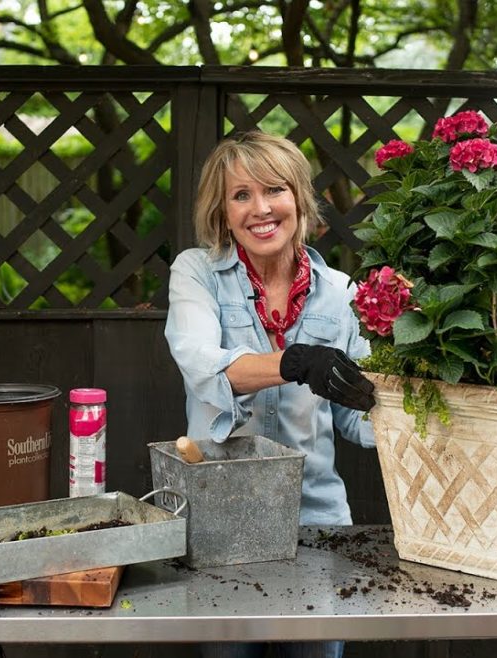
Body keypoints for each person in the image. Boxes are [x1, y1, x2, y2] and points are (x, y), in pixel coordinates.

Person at [164, 131, 377, 658]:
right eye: (241, 195)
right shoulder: (197, 273)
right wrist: (295, 361)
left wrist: (416, 400)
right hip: (219, 523)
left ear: (299, 199)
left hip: (317, 522)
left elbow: (358, 422)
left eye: (274, 190)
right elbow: (200, 362)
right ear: (223, 209)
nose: (260, 209)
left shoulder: (342, 294)